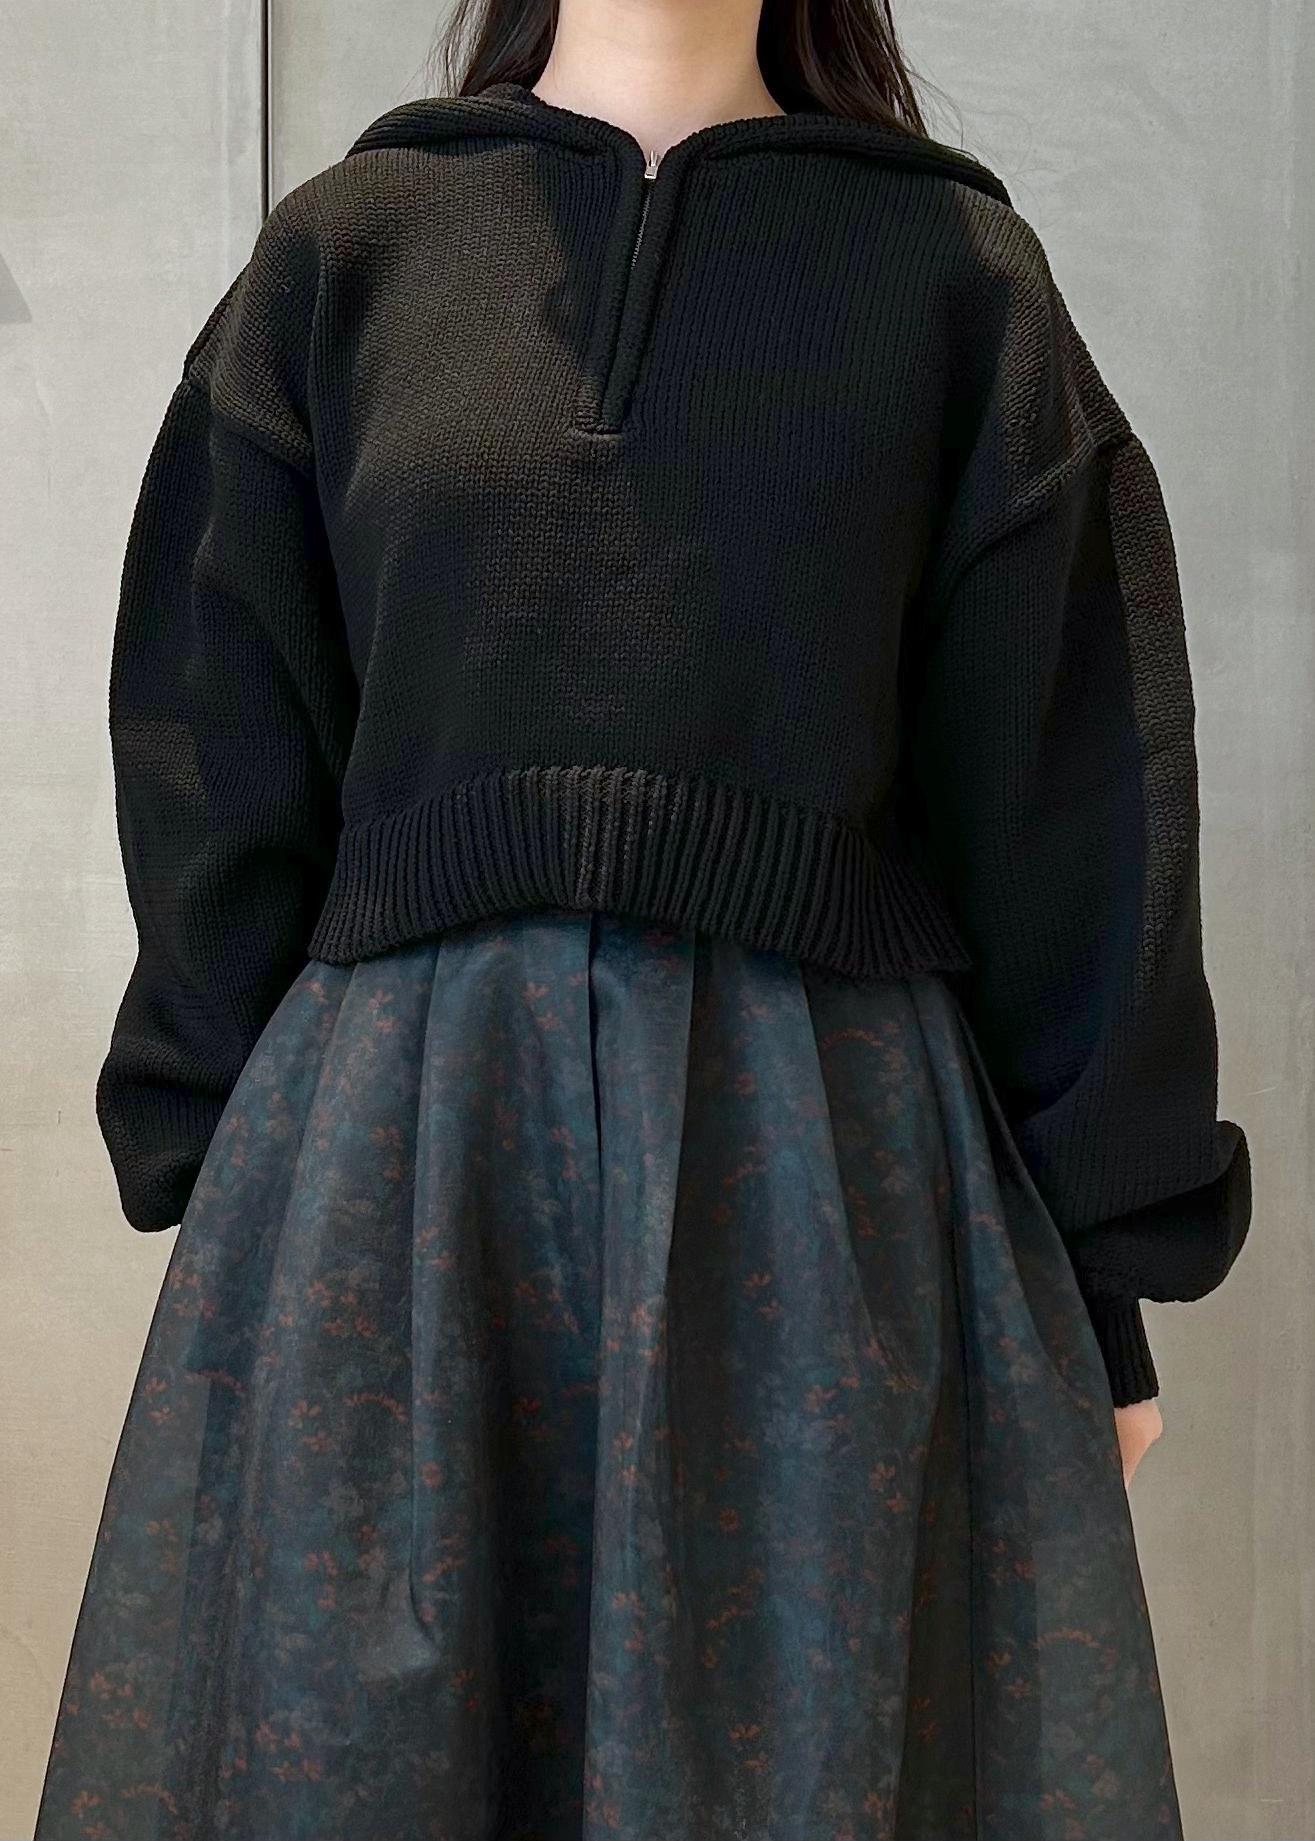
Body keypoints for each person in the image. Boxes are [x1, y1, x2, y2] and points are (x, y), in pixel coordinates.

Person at [35, 0, 1252, 1835]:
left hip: (819, 1202)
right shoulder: (346, 256)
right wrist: (234, 1196)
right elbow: (219, 738)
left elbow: (1072, 795)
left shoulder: (952, 279)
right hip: (397, 1203)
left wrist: (1106, 1283)